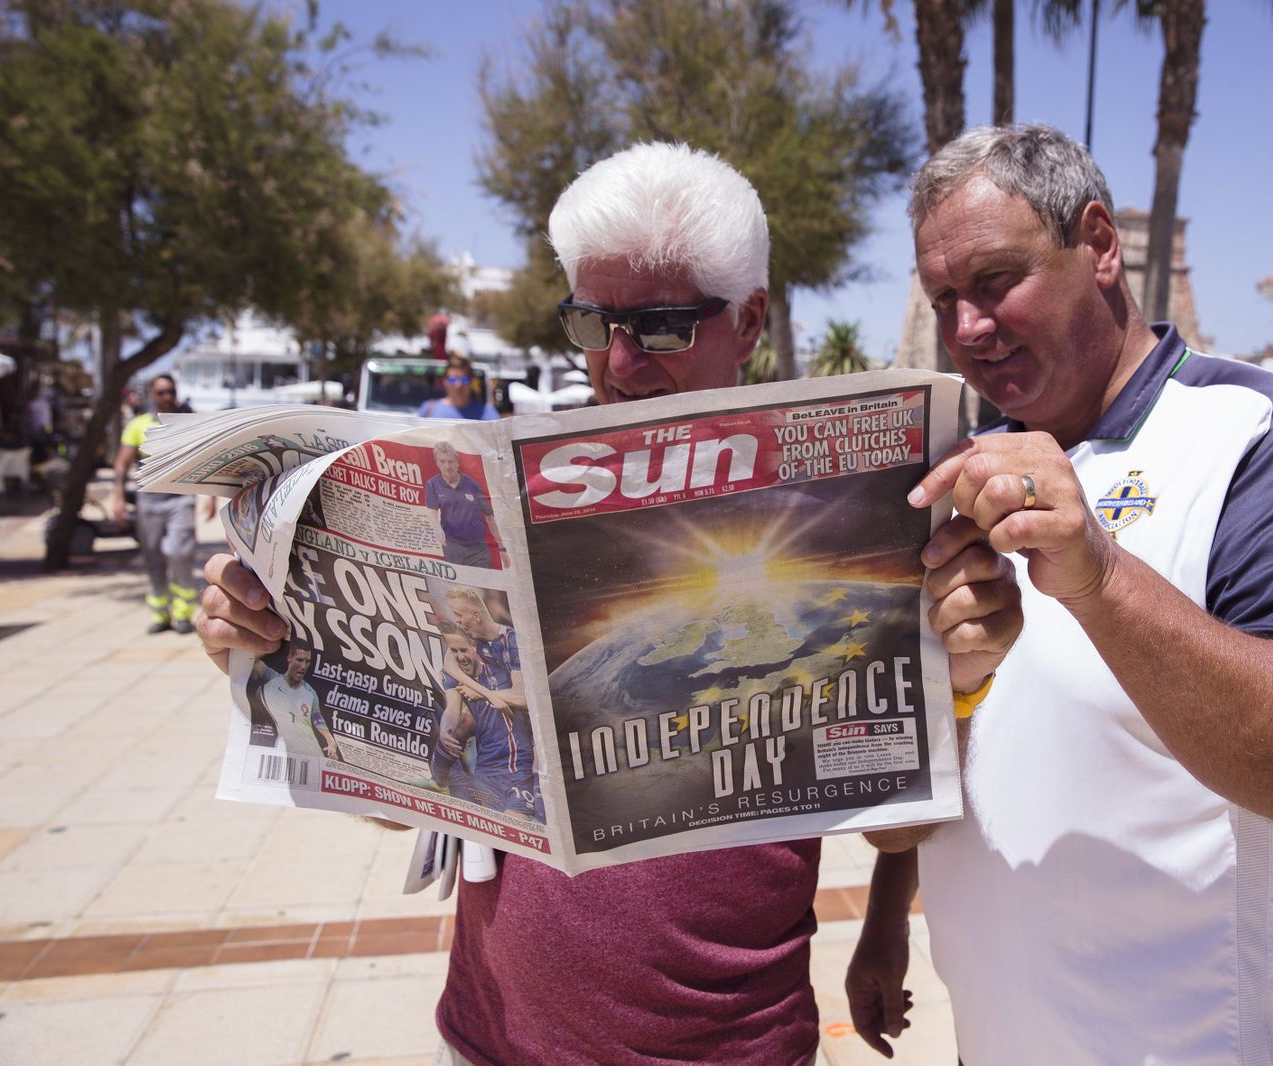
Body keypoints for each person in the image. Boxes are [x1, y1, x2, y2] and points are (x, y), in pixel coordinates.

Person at [195, 141, 1022, 1065]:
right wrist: (280, 655)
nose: (619, 363)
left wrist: (959, 687)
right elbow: (412, 805)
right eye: (591, 324)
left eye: (661, 326)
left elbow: (897, 824)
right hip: (489, 1036)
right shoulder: (502, 493)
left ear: (749, 322)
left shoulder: (851, 499)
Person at [845, 125, 1273, 1064]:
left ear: (1099, 244)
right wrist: (885, 913)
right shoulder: (963, 468)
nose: (968, 329)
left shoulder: (1259, 435)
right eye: (945, 298)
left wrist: (1103, 581)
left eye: (995, 281)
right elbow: (958, 761)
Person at [114, 375, 213, 634]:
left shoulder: (185, 424)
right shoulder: (138, 426)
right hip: (149, 499)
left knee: (180, 553)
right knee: (153, 557)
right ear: (151, 394)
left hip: (180, 499)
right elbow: (122, 463)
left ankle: (183, 612)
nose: (167, 397)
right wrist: (117, 498)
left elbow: (205, 458)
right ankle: (160, 613)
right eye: (161, 392)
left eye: (171, 391)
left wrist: (211, 496)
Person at [433, 622, 541, 820]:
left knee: (514, 827)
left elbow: (525, 699)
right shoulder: (454, 676)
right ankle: (439, 778)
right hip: (485, 771)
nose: (460, 656)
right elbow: (452, 709)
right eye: (454, 651)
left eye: (463, 650)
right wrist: (444, 731)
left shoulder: (500, 668)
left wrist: (486, 694)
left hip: (518, 769)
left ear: (475, 646)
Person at [249, 642, 340, 761]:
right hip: (285, 755)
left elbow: (318, 719)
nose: (303, 666)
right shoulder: (271, 678)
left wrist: (330, 740)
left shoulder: (310, 692)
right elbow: (249, 660)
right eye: (300, 660)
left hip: (314, 755)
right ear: (289, 658)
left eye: (307, 661)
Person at [425, 442, 502, 570]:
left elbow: (490, 516)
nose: (447, 466)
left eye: (450, 461)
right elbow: (432, 510)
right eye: (442, 462)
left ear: (457, 462)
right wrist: (437, 528)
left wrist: (502, 547)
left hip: (478, 549)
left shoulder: (472, 485)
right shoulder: (432, 484)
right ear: (437, 462)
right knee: (460, 589)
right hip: (453, 548)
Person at [419, 353, 498, 421]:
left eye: (464, 380)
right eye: (452, 380)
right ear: (444, 381)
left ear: (471, 381)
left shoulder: (487, 414)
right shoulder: (428, 410)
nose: (458, 385)